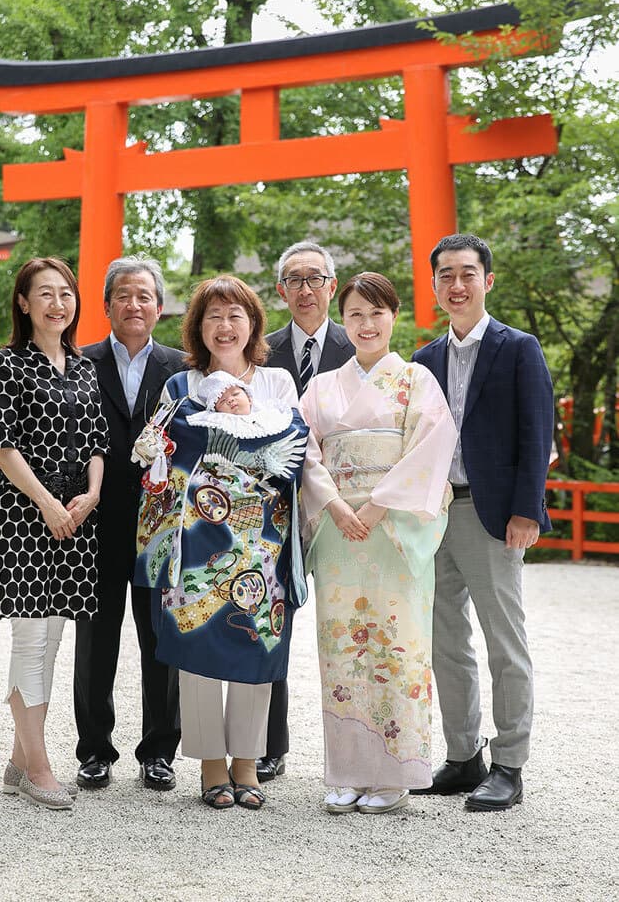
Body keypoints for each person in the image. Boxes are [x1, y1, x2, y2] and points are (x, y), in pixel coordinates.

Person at [134, 275, 308, 811]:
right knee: (197, 641)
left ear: (253, 323)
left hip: (263, 539)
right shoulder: (180, 388)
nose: (224, 325)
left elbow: (296, 446)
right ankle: (211, 764)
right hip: (196, 540)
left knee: (258, 637)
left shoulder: (277, 381)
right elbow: (158, 455)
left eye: (235, 315)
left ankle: (248, 763)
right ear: (197, 328)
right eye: (213, 316)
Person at [299, 271, 457, 814]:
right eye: (356, 315)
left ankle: (394, 772)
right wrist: (339, 507)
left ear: (394, 317)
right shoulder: (321, 387)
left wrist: (376, 505)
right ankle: (348, 771)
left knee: (397, 645)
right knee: (342, 646)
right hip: (340, 528)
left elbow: (429, 450)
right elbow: (305, 452)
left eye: (377, 313)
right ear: (344, 322)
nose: (367, 324)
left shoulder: (416, 380)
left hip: (392, 528)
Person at [412, 234, 554, 811]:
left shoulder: (518, 348)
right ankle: (464, 755)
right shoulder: (424, 360)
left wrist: (528, 510)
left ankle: (510, 763)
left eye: (467, 273)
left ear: (487, 281)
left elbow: (536, 432)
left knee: (504, 641)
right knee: (446, 640)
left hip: (495, 515)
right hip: (435, 514)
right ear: (435, 285)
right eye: (446, 275)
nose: (457, 284)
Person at [0, 257, 109, 810]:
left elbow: (99, 441)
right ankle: (39, 767)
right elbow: (3, 447)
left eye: (66, 293)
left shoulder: (83, 367)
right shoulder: (4, 365)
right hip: (26, 513)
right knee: (31, 639)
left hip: (78, 514)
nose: (58, 304)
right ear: (24, 303)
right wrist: (49, 503)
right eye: (45, 294)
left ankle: (17, 759)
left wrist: (93, 493)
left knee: (53, 640)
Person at [73, 257, 185, 791]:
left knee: (161, 638)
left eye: (144, 296)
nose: (134, 305)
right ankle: (94, 750)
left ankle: (159, 750)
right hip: (97, 519)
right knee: (96, 640)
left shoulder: (183, 369)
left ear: (159, 307)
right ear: (106, 306)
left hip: (162, 523)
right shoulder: (79, 362)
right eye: (123, 296)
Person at [259, 239, 355, 783]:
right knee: (272, 628)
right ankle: (272, 745)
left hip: (345, 514)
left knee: (352, 627)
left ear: (331, 287)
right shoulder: (261, 351)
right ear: (281, 290)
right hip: (275, 513)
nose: (305, 289)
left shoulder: (360, 344)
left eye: (315, 279)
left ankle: (356, 753)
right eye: (294, 280)